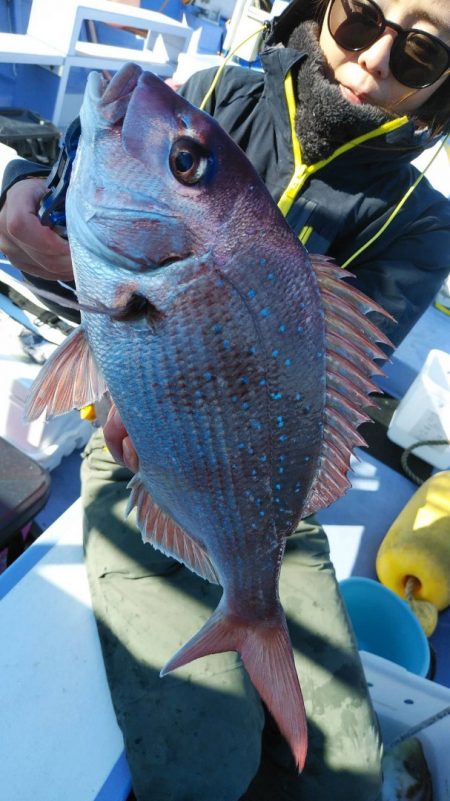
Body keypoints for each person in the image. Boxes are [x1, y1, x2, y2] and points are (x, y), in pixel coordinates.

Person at [0, 0, 449, 799]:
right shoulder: (214, 93)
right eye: (362, 17)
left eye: (418, 51)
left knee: (346, 770)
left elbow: (335, 396)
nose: (375, 57)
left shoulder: (423, 224)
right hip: (141, 458)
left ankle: (253, 611)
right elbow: (78, 165)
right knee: (206, 765)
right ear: (325, 7)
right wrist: (23, 182)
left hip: (272, 498)